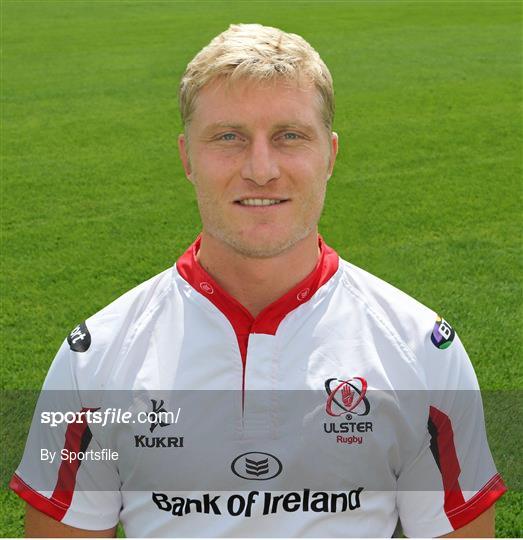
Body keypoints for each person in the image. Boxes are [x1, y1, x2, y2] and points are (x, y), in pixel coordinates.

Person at [11, 23, 506, 538]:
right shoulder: (94, 359)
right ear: (186, 157)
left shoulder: (421, 352)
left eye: (290, 136)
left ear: (330, 155)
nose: (262, 169)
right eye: (229, 137)